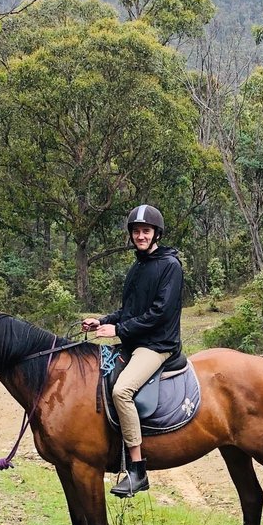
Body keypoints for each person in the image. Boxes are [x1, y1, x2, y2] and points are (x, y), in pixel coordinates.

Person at [82, 204, 183, 497]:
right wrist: (102, 320)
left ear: (156, 234)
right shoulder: (138, 265)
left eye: (145, 231)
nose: (140, 235)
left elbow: (159, 313)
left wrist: (119, 330)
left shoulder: (170, 267)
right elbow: (129, 310)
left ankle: (137, 470)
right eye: (136, 231)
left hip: (157, 345)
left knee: (121, 391)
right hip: (135, 341)